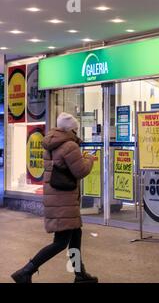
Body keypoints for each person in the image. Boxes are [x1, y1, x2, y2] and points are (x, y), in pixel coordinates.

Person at [11, 112, 98, 283]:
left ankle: (80, 274)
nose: (76, 133)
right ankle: (25, 271)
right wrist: (89, 159)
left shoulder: (51, 144)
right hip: (64, 199)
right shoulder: (69, 146)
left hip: (57, 197)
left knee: (75, 235)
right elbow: (80, 171)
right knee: (61, 241)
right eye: (76, 130)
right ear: (71, 130)